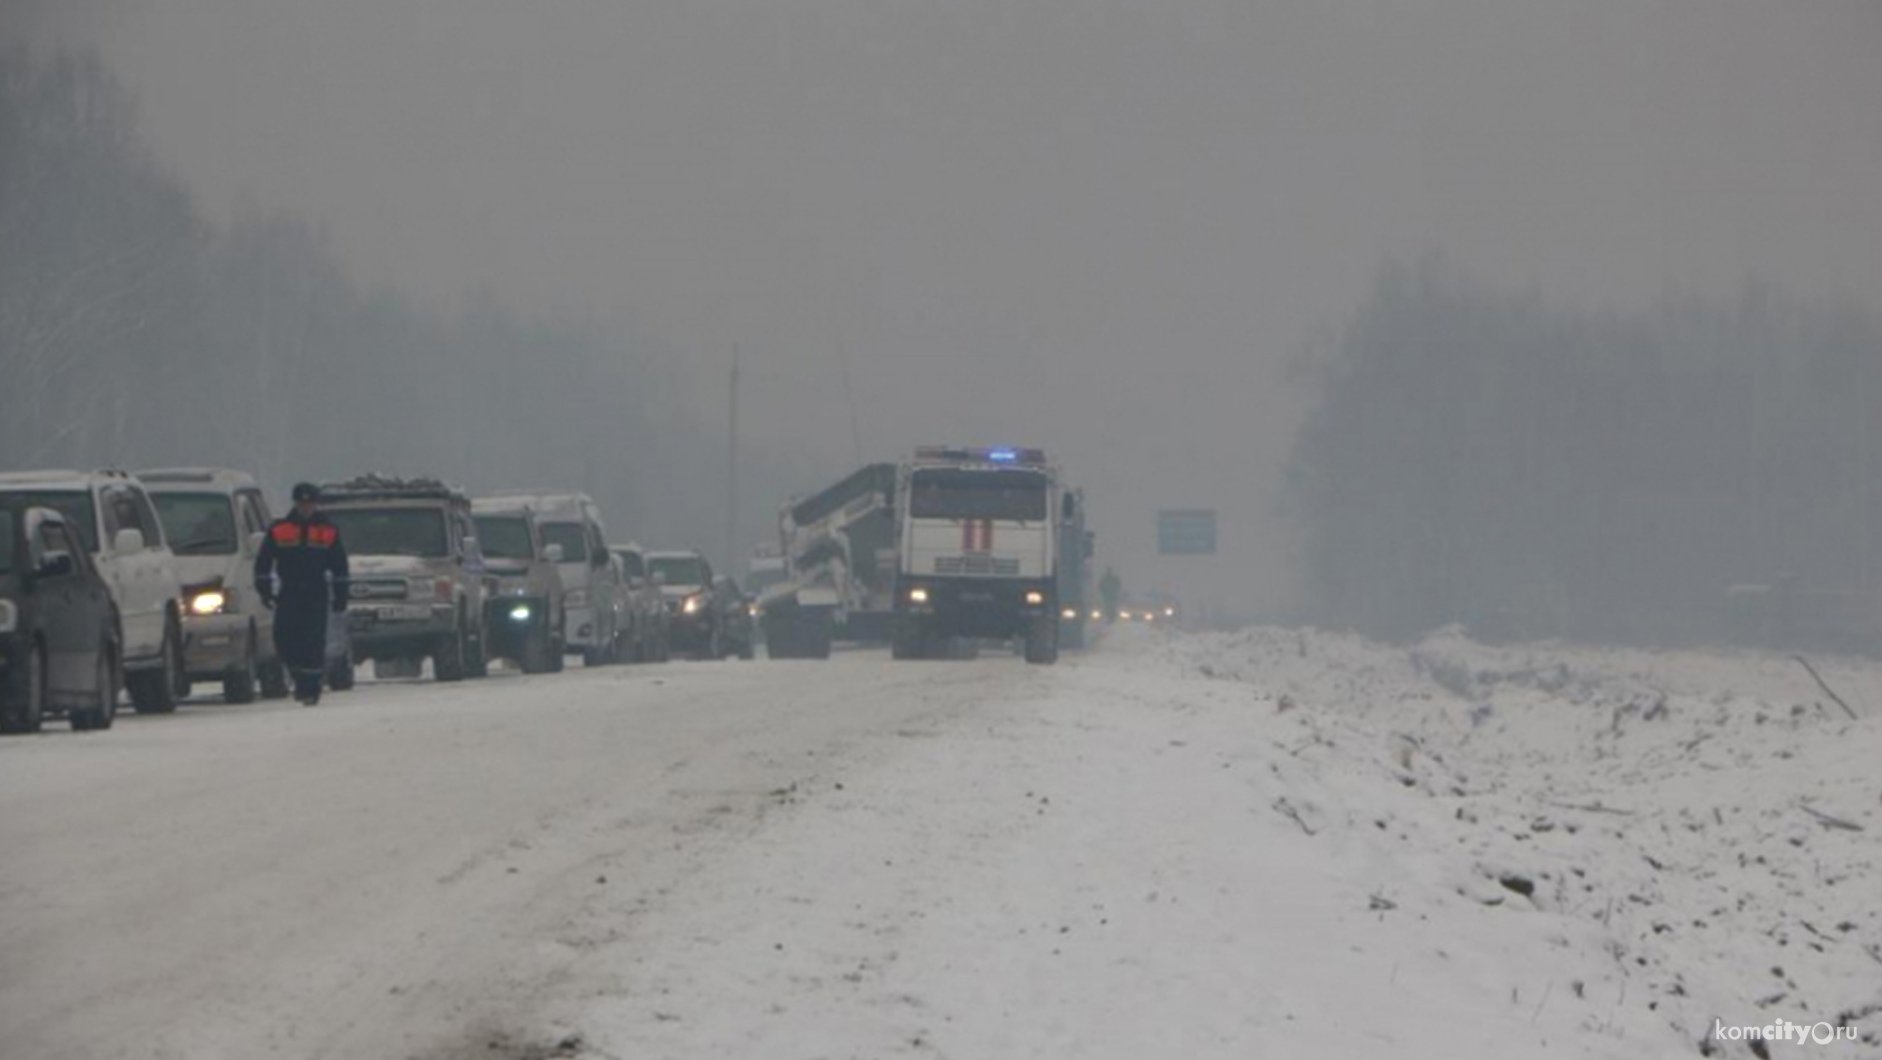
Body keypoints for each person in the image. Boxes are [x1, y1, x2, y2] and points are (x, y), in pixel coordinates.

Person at [255, 483, 348, 704]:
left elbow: (339, 566)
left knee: (313, 642)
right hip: (290, 592)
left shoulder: (328, 530)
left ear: (315, 504)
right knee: (284, 639)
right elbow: (264, 562)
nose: (306, 508)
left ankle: (311, 689)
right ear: (296, 504)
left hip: (316, 592)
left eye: (310, 503)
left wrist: (341, 596)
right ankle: (300, 678)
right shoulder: (279, 529)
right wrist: (265, 590)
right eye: (302, 503)